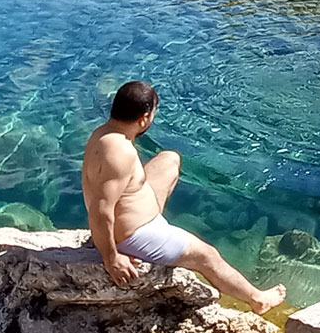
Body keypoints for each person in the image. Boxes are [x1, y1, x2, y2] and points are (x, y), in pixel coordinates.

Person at [82, 81, 286, 314]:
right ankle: (258, 299)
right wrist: (111, 258)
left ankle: (160, 230)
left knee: (169, 159)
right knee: (207, 255)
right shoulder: (120, 153)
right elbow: (101, 210)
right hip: (132, 236)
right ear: (144, 118)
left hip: (137, 213)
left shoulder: (105, 133)